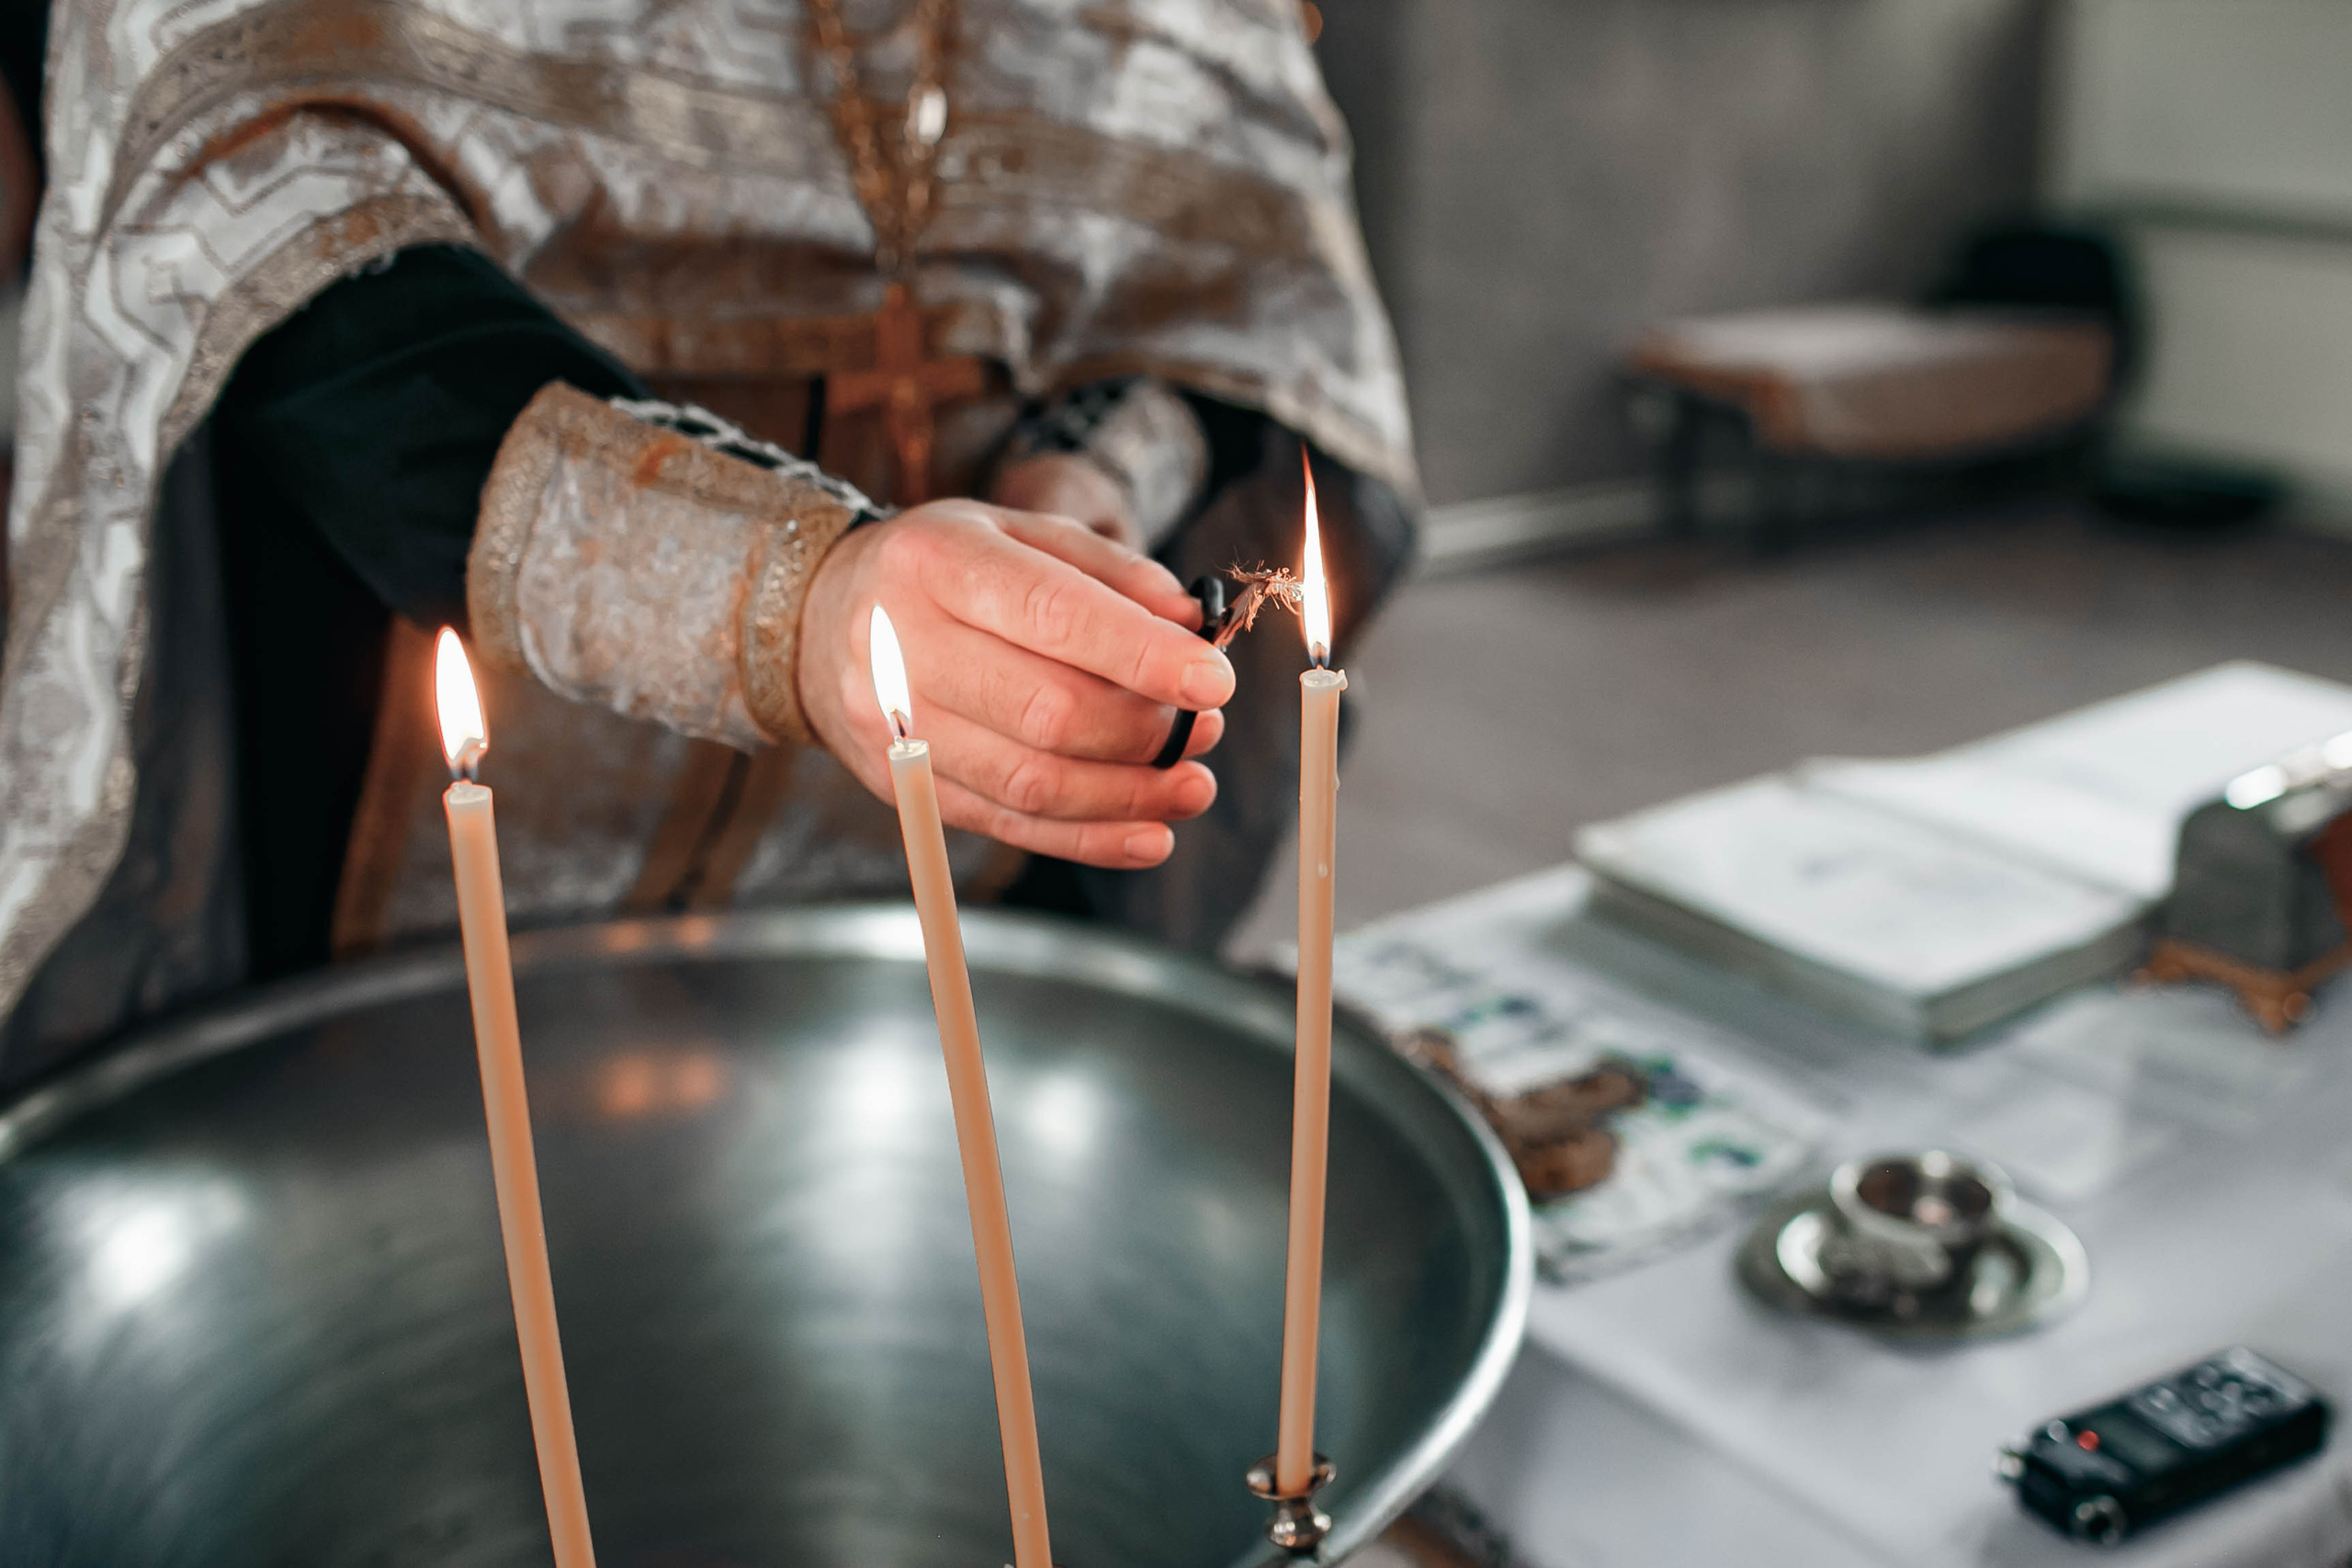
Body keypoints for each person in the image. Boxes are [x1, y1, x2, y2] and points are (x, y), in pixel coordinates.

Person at [0, 0, 1417, 1083]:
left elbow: (1243, 313)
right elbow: (253, 242)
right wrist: (800, 597)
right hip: (383, 792)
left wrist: (1106, 463)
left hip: (951, 892)